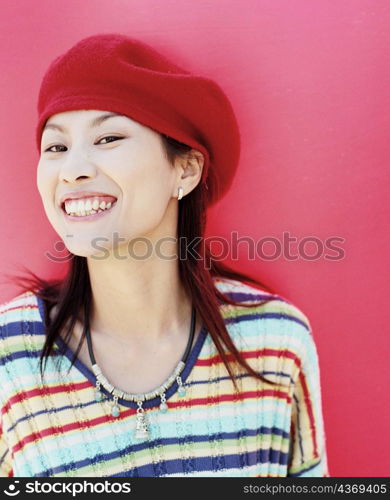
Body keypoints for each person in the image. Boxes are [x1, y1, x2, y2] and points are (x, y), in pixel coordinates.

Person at [0, 33, 329, 477]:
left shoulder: (275, 341)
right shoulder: (10, 353)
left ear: (186, 169)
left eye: (109, 137)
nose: (73, 169)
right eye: (56, 147)